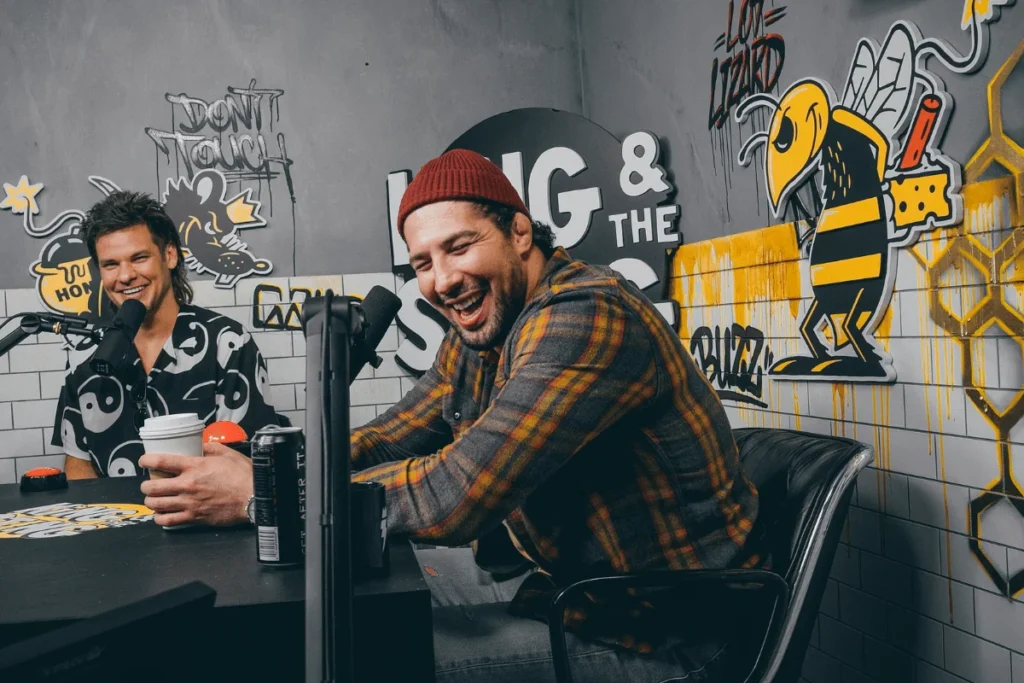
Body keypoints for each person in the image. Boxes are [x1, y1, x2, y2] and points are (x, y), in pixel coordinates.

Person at [349, 149, 764, 683]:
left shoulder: (586, 313)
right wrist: (274, 463)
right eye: (424, 263)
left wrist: (265, 497)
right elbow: (391, 438)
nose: (444, 280)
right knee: (374, 604)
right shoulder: (481, 331)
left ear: (519, 233)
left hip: (670, 636)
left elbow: (457, 493)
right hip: (567, 590)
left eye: (459, 246)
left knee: (385, 659)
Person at [53, 191, 279, 527]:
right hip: (117, 550)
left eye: (139, 258)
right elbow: (78, 465)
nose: (125, 275)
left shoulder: (227, 343)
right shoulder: (86, 357)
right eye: (111, 264)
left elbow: (246, 465)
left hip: (211, 537)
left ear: (169, 255)